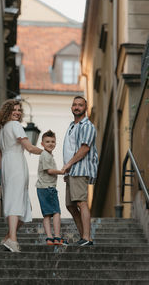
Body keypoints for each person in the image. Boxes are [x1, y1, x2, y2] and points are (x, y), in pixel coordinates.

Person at [0, 99, 43, 252]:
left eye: (19, 110)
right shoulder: (16, 126)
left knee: (22, 204)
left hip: (7, 163)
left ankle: (8, 237)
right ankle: (13, 240)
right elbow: (29, 147)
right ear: (7, 112)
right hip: (15, 163)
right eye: (13, 110)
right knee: (16, 201)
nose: (17, 112)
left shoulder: (3, 129)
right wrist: (45, 152)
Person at [62, 96, 98, 246]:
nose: (77, 107)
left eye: (80, 105)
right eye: (74, 105)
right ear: (72, 108)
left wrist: (69, 164)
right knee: (70, 205)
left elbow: (84, 148)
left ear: (85, 108)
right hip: (71, 171)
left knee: (81, 202)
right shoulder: (72, 125)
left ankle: (87, 238)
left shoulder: (87, 126)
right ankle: (84, 236)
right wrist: (66, 171)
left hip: (79, 169)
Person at [36, 130, 68, 245]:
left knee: (47, 214)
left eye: (53, 141)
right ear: (42, 144)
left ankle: (49, 238)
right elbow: (49, 171)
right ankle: (57, 237)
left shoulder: (47, 155)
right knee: (56, 212)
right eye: (47, 141)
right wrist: (61, 171)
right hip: (48, 188)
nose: (50, 144)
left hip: (42, 187)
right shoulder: (45, 155)